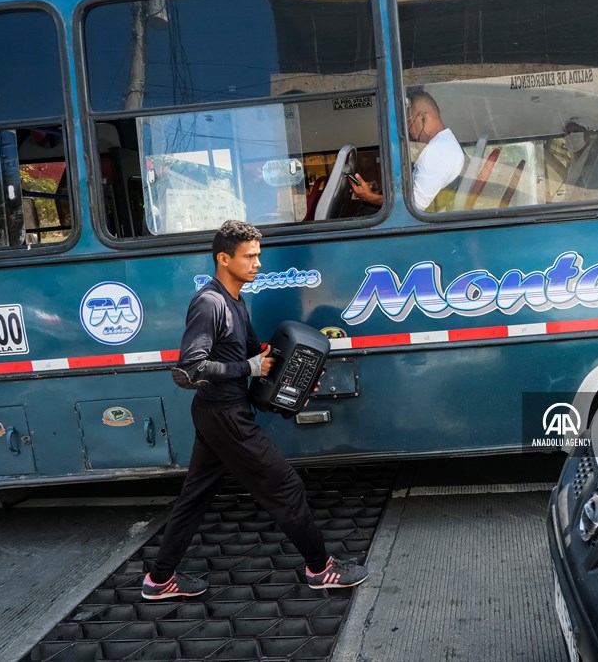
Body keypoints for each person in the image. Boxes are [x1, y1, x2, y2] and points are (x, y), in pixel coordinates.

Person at [141, 219, 368, 599]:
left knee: (194, 498)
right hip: (224, 415)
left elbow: (252, 354)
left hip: (221, 413)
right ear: (223, 258)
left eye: (258, 255)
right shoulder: (210, 303)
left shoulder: (236, 301)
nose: (257, 263)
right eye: (249, 256)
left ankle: (159, 580)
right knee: (286, 486)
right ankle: (320, 569)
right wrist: (249, 368)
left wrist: (290, 375)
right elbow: (188, 369)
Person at [349, 91, 465, 211]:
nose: (409, 131)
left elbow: (415, 205)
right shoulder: (445, 143)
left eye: (409, 123)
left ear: (422, 118)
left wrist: (370, 197)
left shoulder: (438, 151)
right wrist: (384, 193)